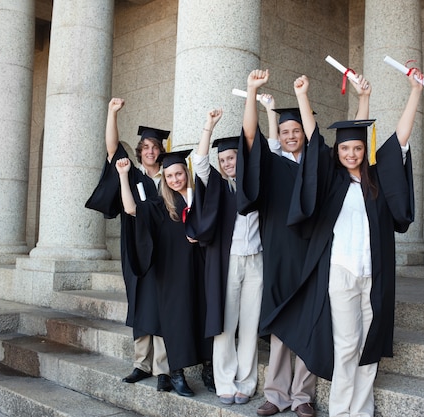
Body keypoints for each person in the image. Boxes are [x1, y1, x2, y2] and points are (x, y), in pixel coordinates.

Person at [284, 70, 423, 416]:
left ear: (365, 149)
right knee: (346, 345)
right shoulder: (332, 181)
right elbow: (315, 142)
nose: (350, 153)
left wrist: (414, 93)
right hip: (342, 273)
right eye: (344, 148)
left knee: (368, 344)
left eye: (357, 147)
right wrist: (303, 97)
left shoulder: (375, 180)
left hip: (372, 273)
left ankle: (360, 410)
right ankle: (340, 409)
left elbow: (400, 140)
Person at [236, 69, 317, 417]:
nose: (290, 135)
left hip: (313, 254)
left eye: (296, 130)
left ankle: (302, 397)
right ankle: (276, 394)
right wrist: (253, 93)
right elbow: (250, 137)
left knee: (309, 322)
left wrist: (303, 97)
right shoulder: (271, 166)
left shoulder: (316, 166)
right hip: (280, 254)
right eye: (284, 131)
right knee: (282, 325)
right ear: (279, 136)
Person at [85, 98, 171, 391]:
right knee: (140, 301)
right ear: (140, 151)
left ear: (161, 151)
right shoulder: (131, 174)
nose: (150, 151)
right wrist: (112, 112)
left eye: (155, 147)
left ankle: (163, 368)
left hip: (165, 250)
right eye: (145, 147)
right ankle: (140, 364)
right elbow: (112, 149)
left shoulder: (170, 177)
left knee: (161, 304)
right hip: (135, 248)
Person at [115, 149, 211, 397]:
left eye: (179, 174)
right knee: (176, 322)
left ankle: (207, 370)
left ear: (186, 174)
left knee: (202, 316)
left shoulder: (200, 197)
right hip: (172, 272)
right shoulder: (161, 205)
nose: (175, 179)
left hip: (200, 268)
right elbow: (130, 209)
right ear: (165, 180)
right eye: (169, 176)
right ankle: (176, 374)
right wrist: (124, 176)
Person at [185, 108, 263, 406]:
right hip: (228, 263)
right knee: (227, 323)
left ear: (241, 159)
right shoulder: (217, 185)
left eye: (231, 158)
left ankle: (246, 381)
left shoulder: (255, 186)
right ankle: (225, 381)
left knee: (250, 323)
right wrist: (208, 126)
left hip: (256, 261)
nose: (227, 163)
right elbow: (201, 163)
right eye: (223, 160)